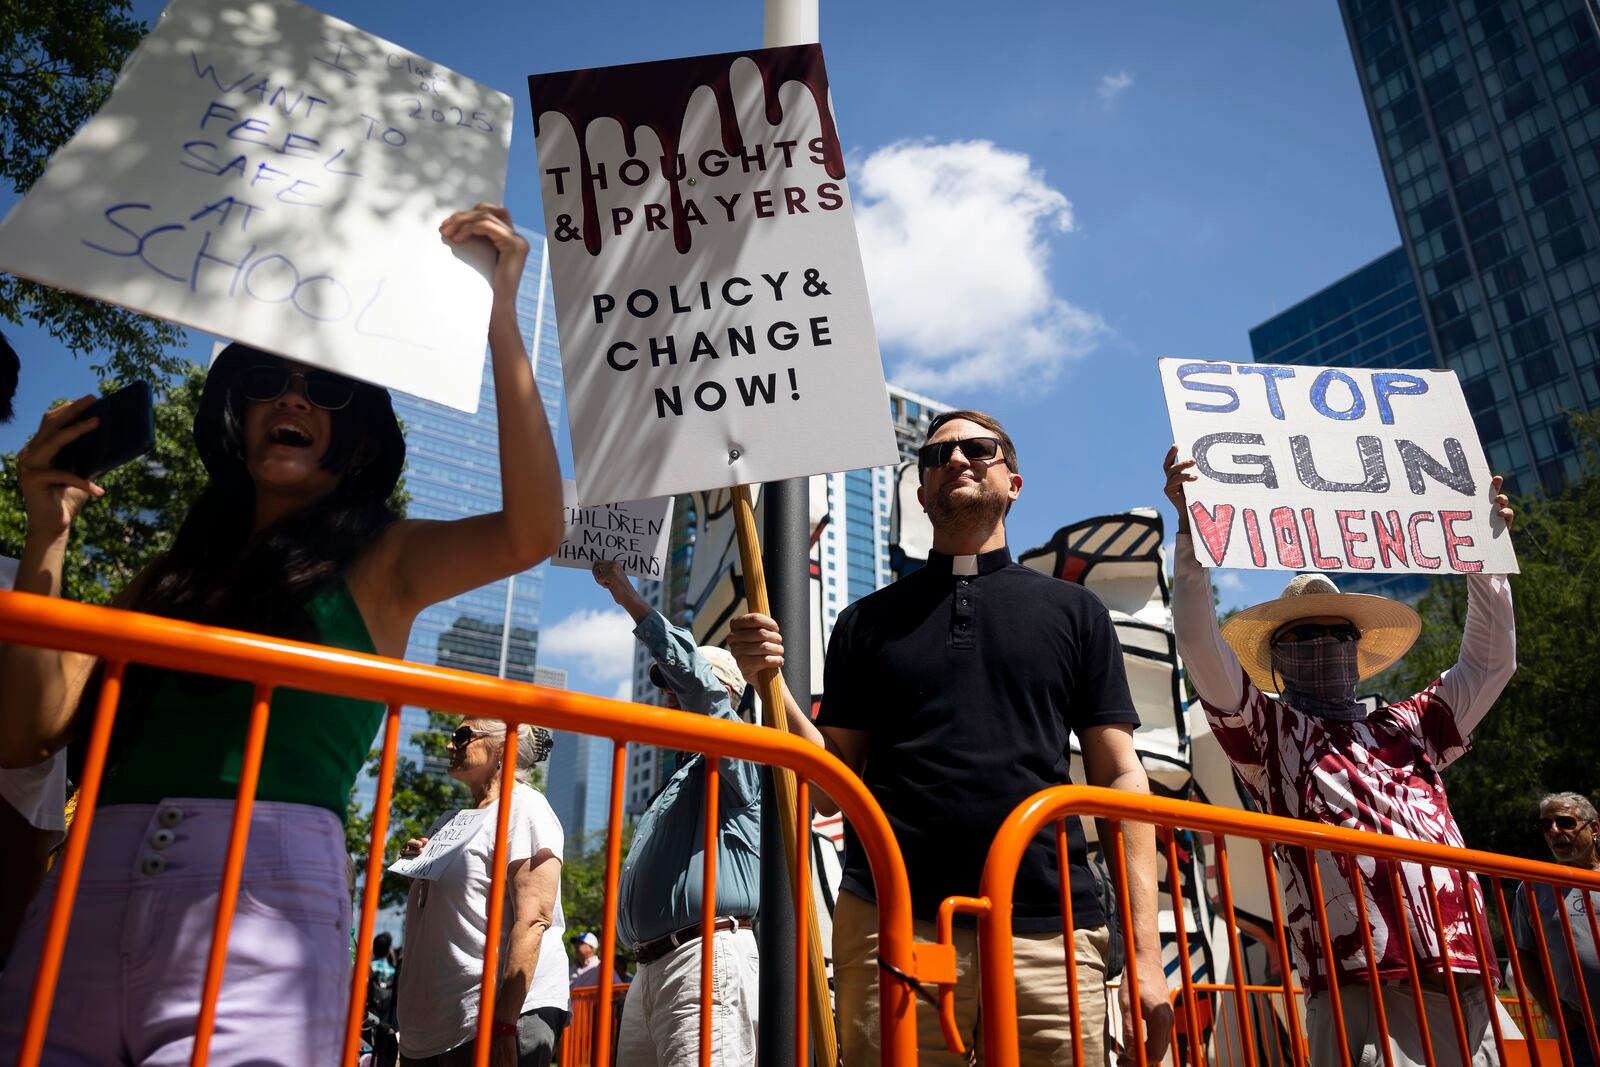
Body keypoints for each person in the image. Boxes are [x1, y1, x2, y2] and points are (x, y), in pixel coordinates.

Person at [0, 204, 563, 1066]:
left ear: (356, 435)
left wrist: (501, 317)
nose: (293, 397)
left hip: (261, 905)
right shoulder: (165, 575)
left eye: (324, 389)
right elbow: (28, 731)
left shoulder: (385, 558)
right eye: (266, 380)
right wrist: (50, 530)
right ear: (237, 414)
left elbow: (532, 532)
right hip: (82, 894)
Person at [730, 411, 1174, 1067]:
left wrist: (1144, 956)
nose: (958, 459)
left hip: (1050, 933)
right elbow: (829, 791)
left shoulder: (1076, 612)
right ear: (920, 492)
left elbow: (1120, 776)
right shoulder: (863, 623)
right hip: (892, 923)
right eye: (938, 454)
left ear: (1014, 481)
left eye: (979, 447)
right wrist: (770, 685)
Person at [1162, 446, 1517, 1067]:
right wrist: (1192, 537)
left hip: (1467, 970)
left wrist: (1484, 559)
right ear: (1276, 657)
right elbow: (1196, 639)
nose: (1322, 645)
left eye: (1337, 633)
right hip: (1359, 977)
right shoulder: (1268, 734)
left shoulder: (1412, 724)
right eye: (1302, 635)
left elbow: (1491, 664)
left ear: (1357, 648)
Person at [591, 559, 763, 1067]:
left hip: (704, 958)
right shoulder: (678, 778)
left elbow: (700, 692)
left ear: (724, 696)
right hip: (654, 969)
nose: (665, 694)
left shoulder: (736, 754)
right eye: (663, 685)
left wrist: (628, 596)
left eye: (673, 684)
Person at [395, 719, 568, 1067]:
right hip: (433, 1026)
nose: (450, 745)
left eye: (463, 736)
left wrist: (504, 1023)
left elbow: (533, 918)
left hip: (493, 1019)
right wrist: (419, 871)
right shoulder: (450, 821)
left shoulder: (525, 807)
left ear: (503, 747)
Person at [1513, 793, 1600, 1067]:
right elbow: (1525, 954)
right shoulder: (1533, 886)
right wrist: (1555, 1012)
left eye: (1565, 822)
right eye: (1545, 825)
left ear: (1594, 828)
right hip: (1578, 1032)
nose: (1554, 832)